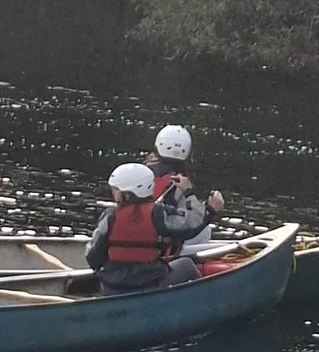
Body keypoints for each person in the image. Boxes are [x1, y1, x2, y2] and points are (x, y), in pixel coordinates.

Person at [85, 162, 210, 294]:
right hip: (150, 284)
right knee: (187, 265)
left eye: (116, 189)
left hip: (113, 287)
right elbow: (192, 224)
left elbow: (93, 257)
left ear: (127, 193)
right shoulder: (158, 213)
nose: (113, 193)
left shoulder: (109, 217)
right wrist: (190, 193)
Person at [146, 123, 225, 252]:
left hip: (140, 241)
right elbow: (191, 225)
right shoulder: (180, 184)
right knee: (205, 229)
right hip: (163, 251)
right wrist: (210, 210)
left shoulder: (140, 176)